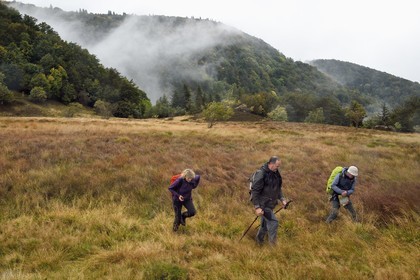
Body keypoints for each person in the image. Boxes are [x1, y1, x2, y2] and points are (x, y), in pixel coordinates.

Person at [251, 156, 287, 245]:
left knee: (264, 225)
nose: (278, 168)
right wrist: (257, 207)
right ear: (271, 164)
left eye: (279, 166)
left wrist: (282, 199)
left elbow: (277, 188)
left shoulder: (276, 173)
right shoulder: (261, 174)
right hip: (263, 205)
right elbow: (254, 191)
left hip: (270, 204)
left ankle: (259, 242)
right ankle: (273, 247)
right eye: (277, 166)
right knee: (274, 222)